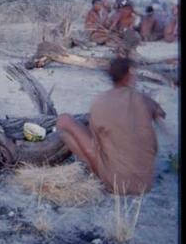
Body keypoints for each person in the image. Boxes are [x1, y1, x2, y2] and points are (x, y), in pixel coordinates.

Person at [56, 57, 165, 195]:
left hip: (117, 183)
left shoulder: (101, 101)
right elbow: (161, 113)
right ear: (128, 76)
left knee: (64, 122)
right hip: (145, 183)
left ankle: (99, 177)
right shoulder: (143, 99)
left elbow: (95, 145)